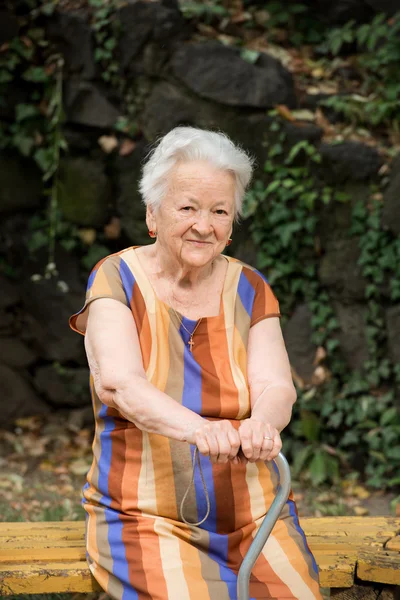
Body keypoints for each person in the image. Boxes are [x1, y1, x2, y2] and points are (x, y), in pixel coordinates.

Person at [69, 126, 322, 600]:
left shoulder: (250, 287)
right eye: (187, 208)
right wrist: (200, 429)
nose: (204, 225)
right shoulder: (116, 278)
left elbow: (277, 386)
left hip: (255, 515)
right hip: (144, 516)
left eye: (220, 211)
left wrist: (263, 425)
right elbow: (120, 385)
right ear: (153, 213)